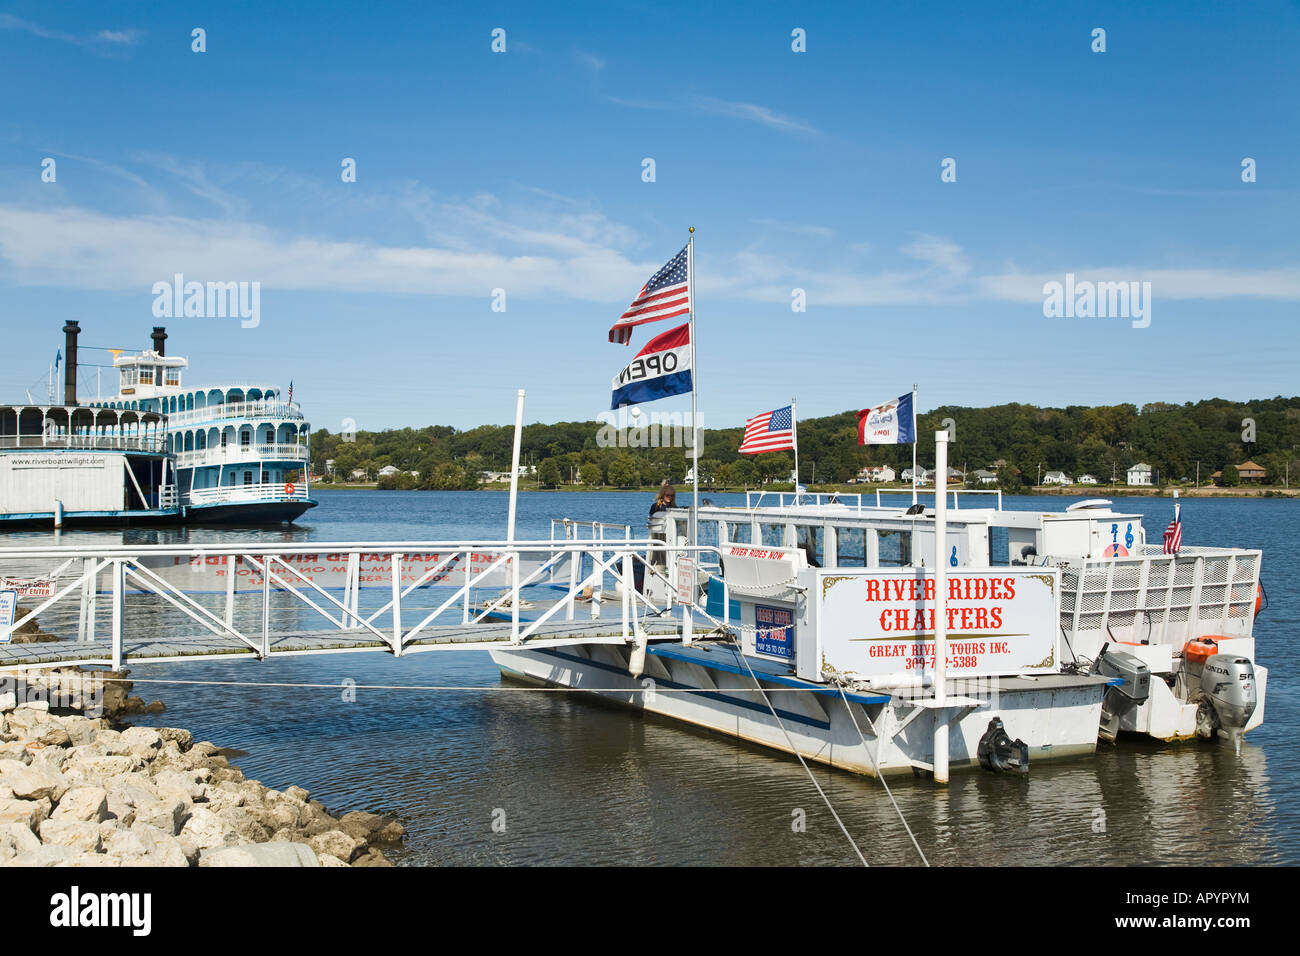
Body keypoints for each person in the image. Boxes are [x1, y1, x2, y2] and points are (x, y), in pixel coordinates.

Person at [647, 482, 676, 569]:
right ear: (663, 495)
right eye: (668, 495)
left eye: (672, 496)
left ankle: (669, 566)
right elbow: (653, 519)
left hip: (670, 535)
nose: (670, 497)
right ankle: (657, 566)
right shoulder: (656, 506)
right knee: (659, 553)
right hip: (658, 534)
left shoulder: (673, 507)